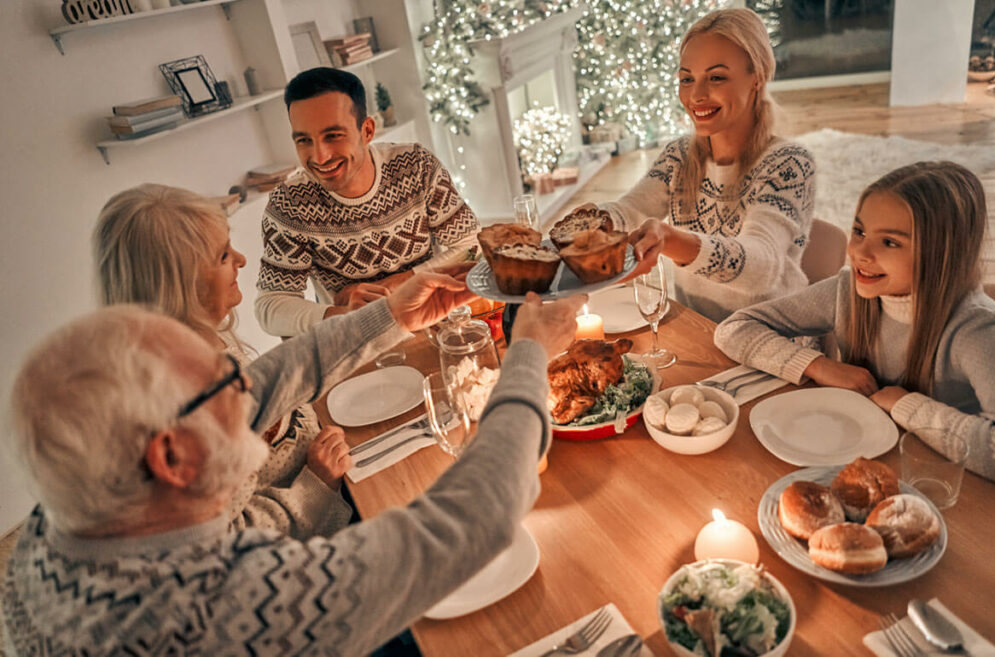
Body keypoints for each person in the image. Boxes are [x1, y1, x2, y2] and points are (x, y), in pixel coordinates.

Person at [2, 271, 585, 654]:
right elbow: (469, 521)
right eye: (226, 383)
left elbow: (274, 376)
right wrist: (529, 354)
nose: (248, 390)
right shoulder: (220, 611)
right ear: (173, 457)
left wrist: (391, 318)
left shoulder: (54, 527)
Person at [714, 162, 995, 491]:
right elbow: (734, 329)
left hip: (939, 486)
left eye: (889, 242)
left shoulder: (980, 330)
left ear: (941, 255)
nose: (860, 252)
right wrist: (818, 365)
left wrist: (907, 405)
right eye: (860, 232)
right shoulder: (846, 292)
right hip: (852, 466)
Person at [93, 183, 352, 539]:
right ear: (183, 285)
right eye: (223, 256)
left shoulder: (203, 338)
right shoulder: (185, 401)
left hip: (330, 475)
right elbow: (228, 538)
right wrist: (316, 485)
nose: (241, 259)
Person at [576, 8, 815, 322]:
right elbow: (632, 209)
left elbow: (761, 267)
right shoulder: (679, 155)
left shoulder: (789, 164)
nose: (696, 95)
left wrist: (671, 240)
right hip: (700, 328)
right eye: (686, 79)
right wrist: (597, 221)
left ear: (755, 78)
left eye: (716, 77)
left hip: (774, 335)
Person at [256, 67, 479, 337]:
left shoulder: (416, 167)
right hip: (354, 339)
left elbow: (472, 245)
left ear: (367, 130)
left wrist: (400, 284)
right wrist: (339, 314)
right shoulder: (289, 205)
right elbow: (270, 307)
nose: (320, 156)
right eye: (304, 140)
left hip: (432, 324)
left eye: (333, 136)